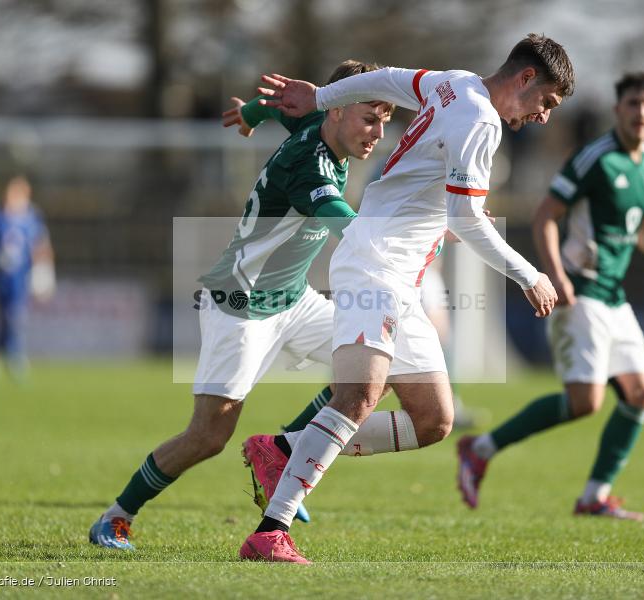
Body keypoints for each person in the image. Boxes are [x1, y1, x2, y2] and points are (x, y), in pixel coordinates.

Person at [239, 33, 574, 563]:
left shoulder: (454, 83)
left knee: (434, 420)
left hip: (402, 278)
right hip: (375, 264)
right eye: (546, 101)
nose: (543, 116)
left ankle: (282, 448)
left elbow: (386, 78)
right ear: (526, 78)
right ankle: (270, 531)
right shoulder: (481, 120)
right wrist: (528, 274)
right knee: (358, 396)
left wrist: (321, 96)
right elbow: (467, 217)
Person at [87, 60, 397, 550]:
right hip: (242, 303)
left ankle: (282, 449)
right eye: (369, 118)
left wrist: (250, 113)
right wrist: (421, 238)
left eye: (384, 120)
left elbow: (280, 106)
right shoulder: (310, 164)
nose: (378, 133)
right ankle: (116, 517)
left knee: (377, 367)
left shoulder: (316, 120)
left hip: (293, 299)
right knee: (208, 437)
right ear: (336, 111)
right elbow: (345, 226)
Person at [457, 72, 644, 521]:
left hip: (614, 297)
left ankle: (594, 496)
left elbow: (642, 226)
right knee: (586, 401)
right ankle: (480, 448)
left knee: (640, 394)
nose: (641, 112)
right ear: (618, 109)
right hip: (580, 291)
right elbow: (545, 215)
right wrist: (555, 274)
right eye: (633, 103)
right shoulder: (595, 158)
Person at [0, 175, 54, 380]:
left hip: (20, 277)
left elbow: (41, 245)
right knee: (6, 318)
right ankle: (9, 357)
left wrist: (44, 272)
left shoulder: (32, 218)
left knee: (15, 317)